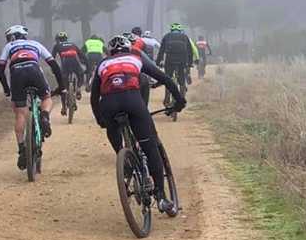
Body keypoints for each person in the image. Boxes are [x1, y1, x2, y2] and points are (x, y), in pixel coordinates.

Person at [90, 35, 186, 213]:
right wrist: (179, 100)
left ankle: (125, 161)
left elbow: (94, 97)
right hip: (132, 100)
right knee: (150, 148)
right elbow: (164, 78)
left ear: (110, 52)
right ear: (128, 48)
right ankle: (162, 197)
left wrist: (100, 120)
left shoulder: (102, 64)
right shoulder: (135, 58)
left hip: (108, 105)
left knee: (117, 141)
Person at [0, 24, 65, 169]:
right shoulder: (35, 44)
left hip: (17, 74)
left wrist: (7, 89)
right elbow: (54, 65)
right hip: (34, 70)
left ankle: (22, 148)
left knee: (20, 113)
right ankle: (45, 116)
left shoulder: (10, 46)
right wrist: (61, 86)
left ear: (12, 37)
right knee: (46, 98)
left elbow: (0, 69)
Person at [51, 31, 86, 115]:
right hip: (75, 62)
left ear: (57, 40)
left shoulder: (57, 45)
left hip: (65, 63)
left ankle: (63, 107)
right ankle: (78, 88)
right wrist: (86, 66)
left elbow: (52, 58)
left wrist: (54, 69)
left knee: (63, 86)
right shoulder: (73, 44)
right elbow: (82, 56)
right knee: (80, 74)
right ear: (66, 39)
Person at [157, 22, 197, 90]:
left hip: (169, 60)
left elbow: (161, 50)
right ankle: (182, 91)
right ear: (180, 30)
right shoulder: (185, 36)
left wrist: (158, 62)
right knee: (182, 77)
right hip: (182, 60)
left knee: (168, 77)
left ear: (171, 30)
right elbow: (190, 51)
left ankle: (167, 96)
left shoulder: (166, 36)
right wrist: (190, 63)